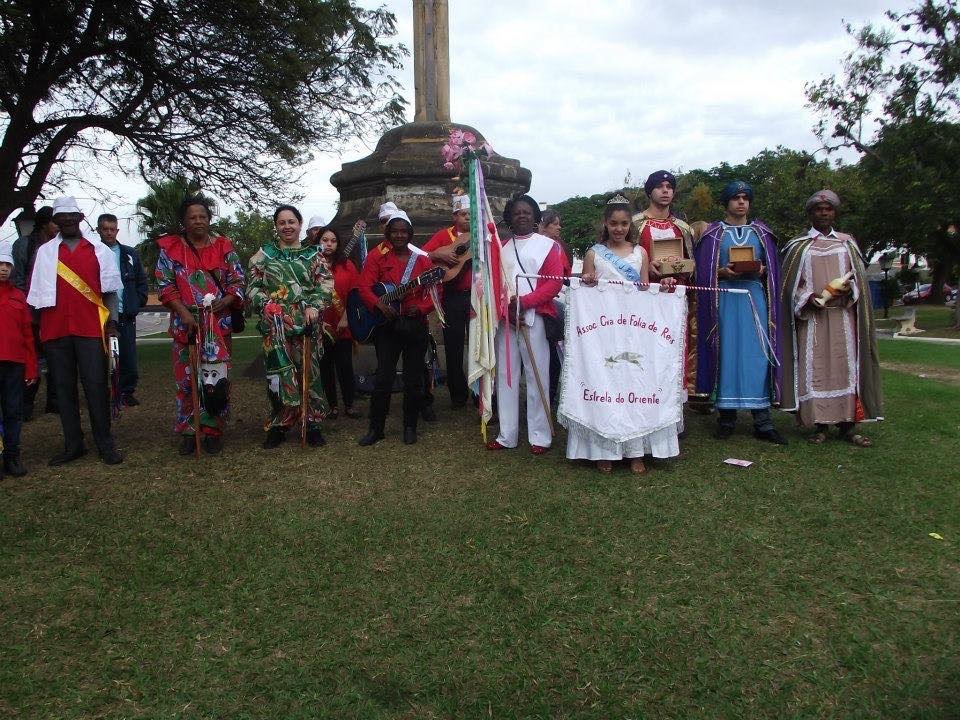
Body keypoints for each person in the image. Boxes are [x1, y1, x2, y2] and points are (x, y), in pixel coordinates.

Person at [574, 195, 678, 474]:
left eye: (623, 224)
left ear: (629, 225)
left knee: (634, 385)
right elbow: (584, 295)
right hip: (603, 331)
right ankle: (603, 450)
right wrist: (587, 281)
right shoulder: (594, 254)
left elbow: (645, 289)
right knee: (605, 385)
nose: (618, 229)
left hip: (634, 330)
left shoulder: (640, 253)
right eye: (613, 224)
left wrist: (664, 284)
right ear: (605, 224)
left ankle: (635, 451)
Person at [780, 190, 883, 445]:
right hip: (813, 320)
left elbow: (858, 279)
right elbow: (791, 286)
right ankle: (820, 425)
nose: (823, 213)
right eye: (818, 209)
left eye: (828, 209)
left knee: (845, 367)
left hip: (844, 318)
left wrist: (851, 290)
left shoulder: (847, 244)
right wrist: (809, 298)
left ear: (834, 213)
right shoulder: (799, 247)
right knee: (815, 368)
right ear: (811, 213)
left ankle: (848, 425)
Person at [27, 196, 123, 465]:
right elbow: (34, 291)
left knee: (95, 387)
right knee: (63, 389)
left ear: (80, 218)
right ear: (55, 221)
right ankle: (73, 444)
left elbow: (110, 291)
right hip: (55, 330)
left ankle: (105, 442)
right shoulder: (45, 252)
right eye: (62, 217)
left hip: (90, 329)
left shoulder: (98, 250)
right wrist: (35, 332)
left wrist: (112, 323)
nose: (67, 220)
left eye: (72, 215)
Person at [694, 181, 786, 444]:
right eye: (736, 198)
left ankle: (763, 420)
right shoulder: (713, 235)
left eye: (745, 197)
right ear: (726, 203)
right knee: (727, 354)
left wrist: (761, 271)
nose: (741, 202)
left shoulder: (762, 234)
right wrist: (720, 272)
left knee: (757, 355)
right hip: (724, 300)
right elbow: (701, 272)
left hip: (754, 300)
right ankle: (727, 418)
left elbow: (773, 271)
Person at [156, 196, 245, 455]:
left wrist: (227, 299)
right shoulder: (170, 248)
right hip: (187, 322)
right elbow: (165, 285)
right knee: (187, 378)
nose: (198, 221)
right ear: (184, 221)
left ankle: (213, 429)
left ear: (209, 220)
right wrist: (184, 313)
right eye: (192, 217)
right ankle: (189, 429)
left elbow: (238, 280)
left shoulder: (224, 246)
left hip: (218, 324)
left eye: (203, 216)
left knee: (216, 378)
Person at [248, 205, 334, 448]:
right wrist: (266, 305)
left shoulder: (313, 255)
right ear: (276, 226)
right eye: (282, 222)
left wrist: (315, 306)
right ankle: (280, 424)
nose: (287, 226)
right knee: (279, 375)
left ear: (299, 224)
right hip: (275, 325)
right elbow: (253, 286)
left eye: (291, 221)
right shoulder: (264, 255)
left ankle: (313, 423)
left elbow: (325, 284)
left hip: (306, 323)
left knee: (310, 372)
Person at [487, 194, 565, 454]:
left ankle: (540, 436)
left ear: (535, 217)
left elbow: (553, 283)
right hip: (507, 319)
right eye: (516, 212)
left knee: (537, 375)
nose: (522, 216)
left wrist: (524, 302)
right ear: (509, 218)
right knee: (506, 377)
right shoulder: (501, 248)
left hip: (535, 318)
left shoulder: (549, 246)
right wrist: (506, 309)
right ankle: (506, 434)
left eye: (527, 212)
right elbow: (494, 284)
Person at [357, 211, 436, 446]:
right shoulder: (376, 258)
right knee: (383, 377)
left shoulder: (422, 260)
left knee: (413, 379)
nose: (399, 235)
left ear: (410, 234)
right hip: (386, 325)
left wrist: (420, 308)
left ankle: (410, 426)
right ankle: (376, 427)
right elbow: (364, 287)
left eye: (403, 231)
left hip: (414, 325)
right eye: (395, 231)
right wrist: (378, 303)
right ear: (388, 234)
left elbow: (435, 293)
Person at [633, 171, 705, 409]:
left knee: (675, 350)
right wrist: (647, 268)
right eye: (659, 186)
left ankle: (674, 411)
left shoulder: (683, 227)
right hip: (644, 299)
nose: (665, 191)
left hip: (676, 299)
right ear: (649, 191)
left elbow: (692, 265)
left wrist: (680, 266)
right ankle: (642, 402)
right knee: (646, 349)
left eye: (669, 186)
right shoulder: (634, 224)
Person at [423, 194, 472, 408]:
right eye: (463, 214)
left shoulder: (480, 235)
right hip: (452, 296)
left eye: (471, 214)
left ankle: (482, 395)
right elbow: (423, 254)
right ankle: (458, 395)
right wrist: (439, 254)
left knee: (480, 344)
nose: (467, 218)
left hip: (477, 296)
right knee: (453, 347)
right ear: (454, 215)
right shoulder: (444, 235)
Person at [96, 214, 148, 406]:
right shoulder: (94, 252)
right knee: (102, 357)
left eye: (112, 229)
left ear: (117, 230)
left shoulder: (128, 254)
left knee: (127, 356)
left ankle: (126, 392)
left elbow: (141, 280)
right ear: (98, 230)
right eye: (105, 229)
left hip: (125, 312)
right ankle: (105, 392)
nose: (109, 232)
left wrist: (138, 300)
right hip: (101, 314)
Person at [12, 205, 57, 418]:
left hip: (53, 311)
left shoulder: (58, 246)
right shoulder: (24, 245)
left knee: (56, 358)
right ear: (44, 223)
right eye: (55, 222)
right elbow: (18, 279)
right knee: (32, 358)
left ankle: (54, 402)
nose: (58, 226)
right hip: (30, 311)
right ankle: (26, 405)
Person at [0, 241, 38, 477]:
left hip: (14, 364)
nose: (3, 268)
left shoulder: (18, 296)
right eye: (0, 264)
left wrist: (31, 368)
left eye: (7, 265)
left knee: (13, 411)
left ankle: (12, 456)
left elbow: (27, 334)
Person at [317, 225, 361, 419]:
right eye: (325, 240)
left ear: (338, 244)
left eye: (333, 241)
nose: (329, 244)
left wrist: (346, 318)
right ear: (318, 242)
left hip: (342, 322)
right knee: (325, 367)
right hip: (320, 324)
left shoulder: (347, 265)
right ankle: (333, 405)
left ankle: (350, 404)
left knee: (345, 366)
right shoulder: (312, 265)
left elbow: (355, 294)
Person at [538, 209, 572, 404]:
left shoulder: (559, 246)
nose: (559, 227)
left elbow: (563, 277)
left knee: (553, 350)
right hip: (539, 302)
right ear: (543, 225)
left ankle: (550, 394)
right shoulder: (536, 245)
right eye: (555, 223)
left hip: (555, 302)